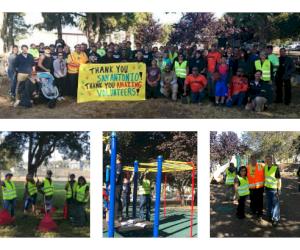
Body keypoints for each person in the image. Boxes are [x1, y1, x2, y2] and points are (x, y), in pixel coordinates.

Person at [264, 155, 281, 227]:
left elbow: (279, 180)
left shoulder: (275, 168)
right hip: (267, 189)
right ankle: (271, 216)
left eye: (269, 160)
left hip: (274, 190)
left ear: (271, 160)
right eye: (266, 160)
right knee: (269, 204)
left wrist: (279, 190)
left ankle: (275, 219)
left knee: (275, 205)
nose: (267, 161)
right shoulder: (265, 167)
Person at [246, 155, 265, 220]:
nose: (253, 161)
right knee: (252, 199)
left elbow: (269, 168)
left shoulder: (261, 166)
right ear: (250, 160)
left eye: (254, 159)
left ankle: (260, 213)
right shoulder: (248, 167)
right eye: (252, 159)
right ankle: (253, 210)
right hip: (251, 188)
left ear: (256, 160)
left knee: (260, 200)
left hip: (260, 187)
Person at [115, 154, 123, 222]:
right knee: (116, 199)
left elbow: (118, 174)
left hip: (118, 185)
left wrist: (115, 180)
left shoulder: (119, 165)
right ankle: (118, 215)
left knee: (117, 199)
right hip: (116, 185)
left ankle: (118, 216)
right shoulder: (116, 165)